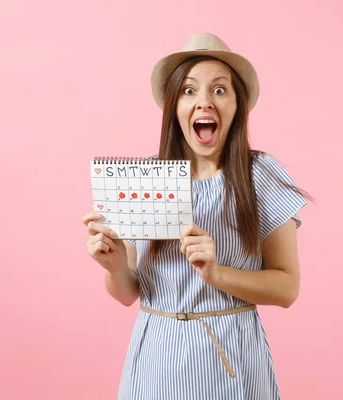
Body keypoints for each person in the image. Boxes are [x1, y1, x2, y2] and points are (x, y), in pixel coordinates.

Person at [82, 32, 310, 400]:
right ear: (174, 106)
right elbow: (128, 294)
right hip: (155, 358)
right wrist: (115, 267)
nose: (204, 101)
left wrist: (215, 273)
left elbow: (287, 289)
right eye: (189, 91)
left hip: (232, 360)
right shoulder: (145, 179)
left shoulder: (262, 174)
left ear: (238, 103)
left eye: (219, 90)